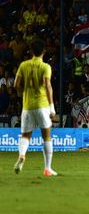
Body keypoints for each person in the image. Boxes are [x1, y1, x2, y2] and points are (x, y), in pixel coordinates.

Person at [13, 39, 57, 176]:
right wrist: (52, 106)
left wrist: (25, 92)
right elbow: (48, 86)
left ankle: (22, 155)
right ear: (44, 51)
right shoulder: (45, 67)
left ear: (31, 51)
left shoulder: (23, 65)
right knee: (47, 137)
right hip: (42, 105)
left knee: (26, 135)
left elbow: (16, 84)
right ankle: (47, 168)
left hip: (27, 106)